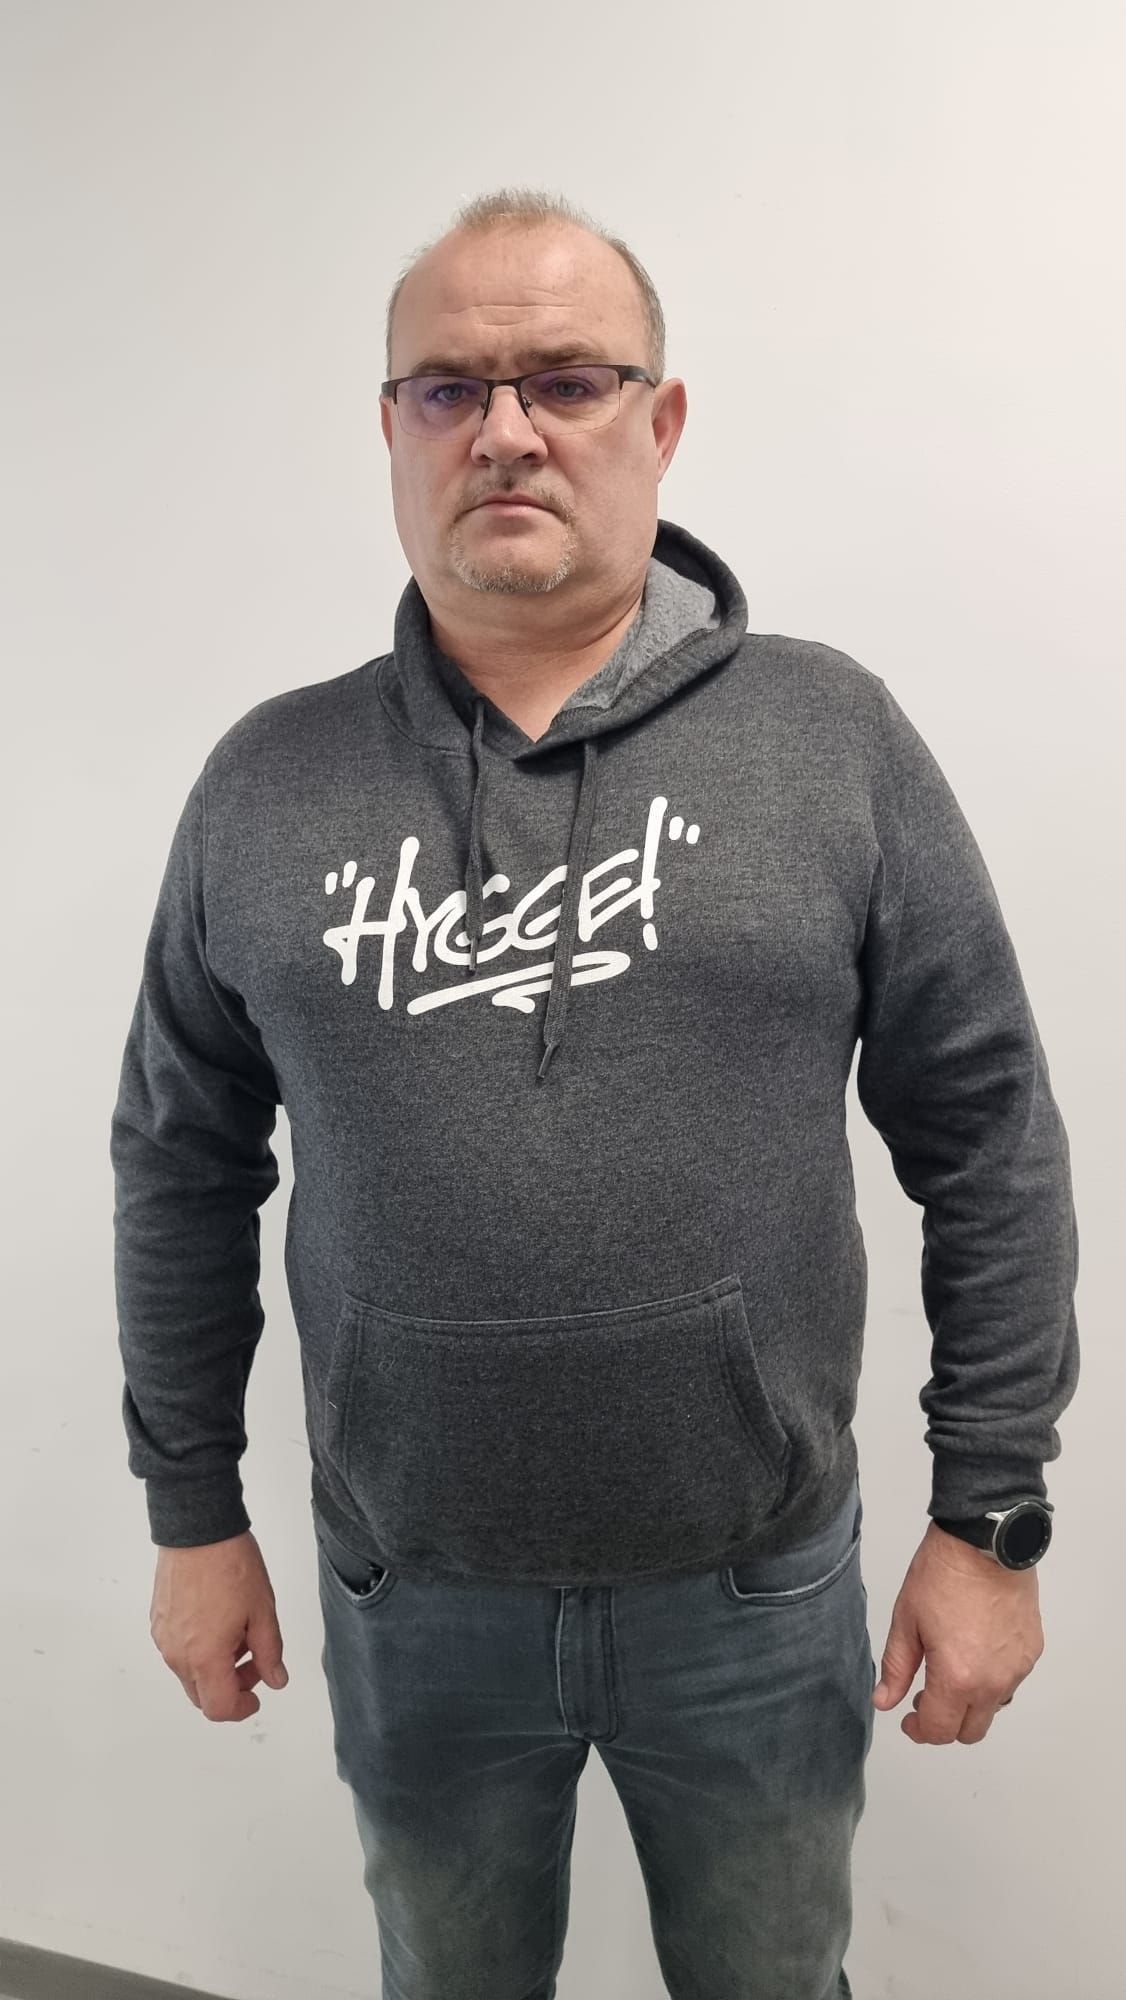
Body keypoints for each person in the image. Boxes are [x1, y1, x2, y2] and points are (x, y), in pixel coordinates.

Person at [111, 188, 1080, 2000]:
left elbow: (988, 1139)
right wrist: (191, 1512)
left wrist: (989, 1515)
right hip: (410, 1591)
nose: (504, 431)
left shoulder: (830, 739)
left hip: (755, 1585)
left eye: (564, 379)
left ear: (661, 418)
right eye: (447, 389)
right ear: (390, 429)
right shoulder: (267, 782)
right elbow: (178, 1165)